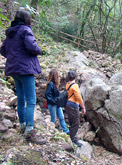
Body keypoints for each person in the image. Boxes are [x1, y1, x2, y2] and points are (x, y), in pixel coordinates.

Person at [0, 10, 46, 144]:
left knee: (21, 98)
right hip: (25, 70)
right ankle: (30, 131)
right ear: (26, 19)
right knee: (31, 100)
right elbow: (32, 47)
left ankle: (22, 125)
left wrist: (13, 57)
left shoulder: (11, 32)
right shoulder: (25, 30)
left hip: (14, 70)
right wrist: (39, 50)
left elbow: (2, 50)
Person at [65, 70, 86, 147]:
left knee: (71, 122)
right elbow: (78, 97)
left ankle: (71, 137)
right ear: (75, 77)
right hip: (73, 105)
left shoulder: (67, 84)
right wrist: (83, 107)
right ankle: (74, 139)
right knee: (76, 123)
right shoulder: (75, 85)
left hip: (67, 104)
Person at [45, 69, 69, 134]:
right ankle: (52, 131)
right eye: (57, 74)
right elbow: (47, 94)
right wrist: (54, 101)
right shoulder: (51, 84)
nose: (59, 76)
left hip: (56, 103)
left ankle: (66, 130)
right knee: (53, 119)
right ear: (55, 75)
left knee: (61, 117)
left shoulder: (55, 84)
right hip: (52, 104)